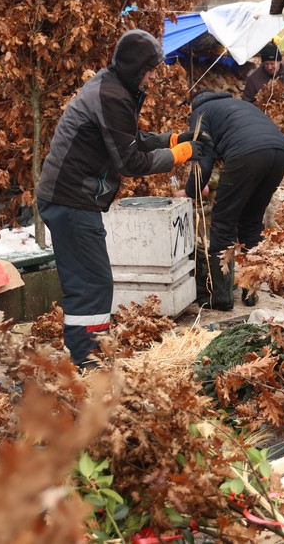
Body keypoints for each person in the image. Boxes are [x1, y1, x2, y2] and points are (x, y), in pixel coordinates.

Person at [36, 29, 207, 368]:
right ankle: (88, 361)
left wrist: (172, 138)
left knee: (88, 281)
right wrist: (180, 154)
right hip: (70, 200)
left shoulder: (113, 88)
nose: (154, 76)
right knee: (93, 283)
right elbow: (129, 161)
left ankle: (86, 355)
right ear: (134, 67)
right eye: (151, 69)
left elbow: (129, 139)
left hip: (71, 198)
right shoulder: (112, 96)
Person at [177, 89, 284, 310]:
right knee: (252, 220)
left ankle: (220, 297)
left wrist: (191, 191)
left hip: (247, 153)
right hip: (280, 152)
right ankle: (251, 292)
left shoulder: (199, 113)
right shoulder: (237, 106)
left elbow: (204, 159)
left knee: (223, 220)